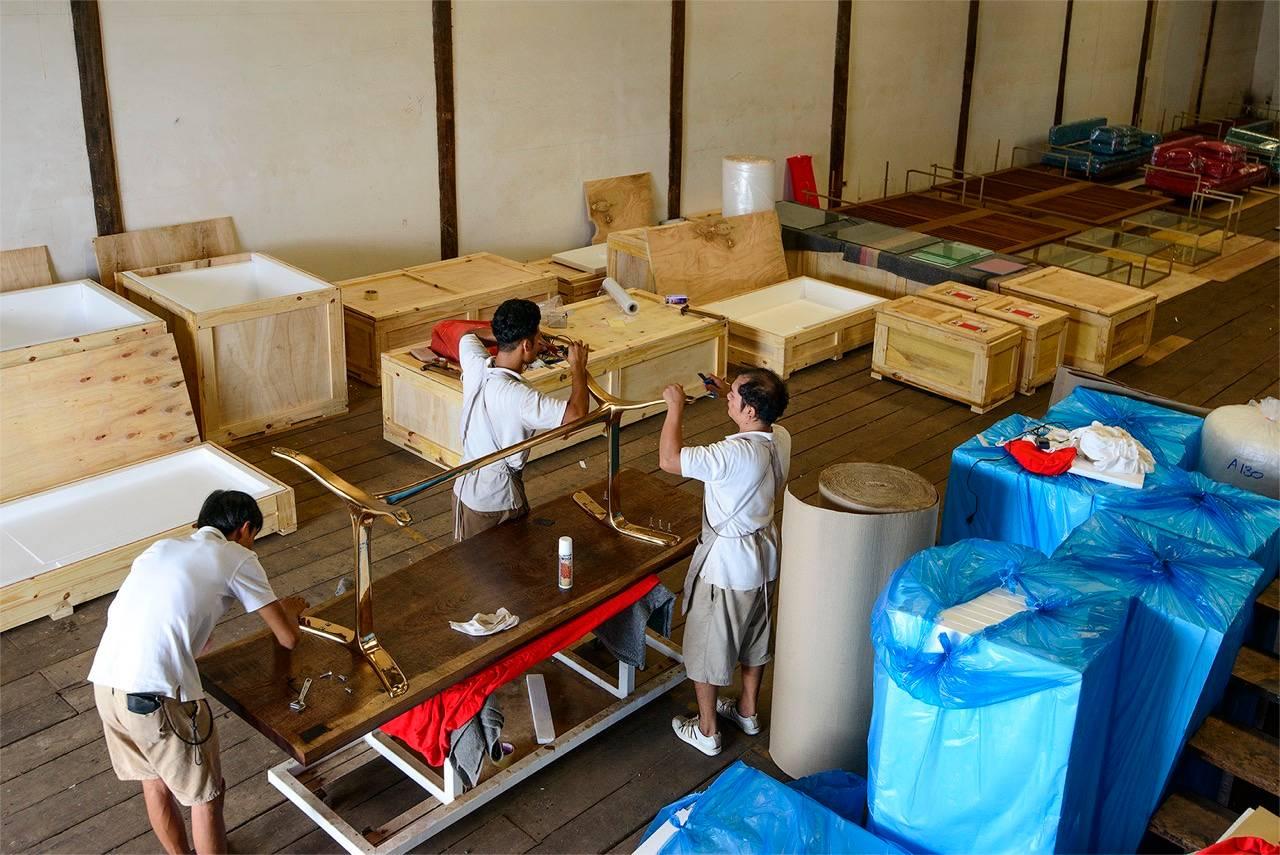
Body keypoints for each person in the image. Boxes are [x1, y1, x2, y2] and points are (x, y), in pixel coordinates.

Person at [87, 490, 307, 855]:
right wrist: (292, 608)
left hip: (107, 684)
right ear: (246, 529)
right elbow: (286, 638)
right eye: (254, 537)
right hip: (158, 698)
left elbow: (172, 625)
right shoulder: (236, 555)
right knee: (206, 797)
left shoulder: (160, 549)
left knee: (154, 780)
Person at [658, 369, 791, 756]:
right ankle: (748, 711)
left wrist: (675, 409)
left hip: (727, 567)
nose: (726, 394)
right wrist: (726, 397)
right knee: (755, 637)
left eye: (733, 395)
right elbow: (752, 422)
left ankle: (707, 729)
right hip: (764, 558)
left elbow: (669, 459)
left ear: (750, 410)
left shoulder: (730, 454)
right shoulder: (779, 437)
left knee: (706, 648)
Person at [452, 298, 590, 541]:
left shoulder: (475, 363)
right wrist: (577, 367)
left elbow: (469, 334)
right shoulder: (518, 396)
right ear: (526, 344)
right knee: (505, 572)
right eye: (536, 338)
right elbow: (575, 417)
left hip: (463, 491)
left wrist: (514, 337)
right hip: (495, 503)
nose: (540, 343)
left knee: (469, 567)